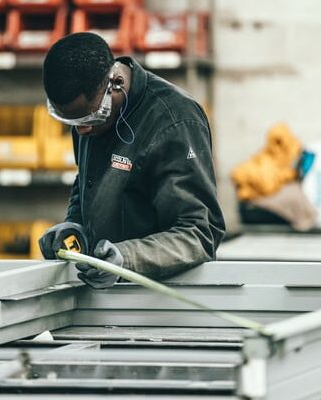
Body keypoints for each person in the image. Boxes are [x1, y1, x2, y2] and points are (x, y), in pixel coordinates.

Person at [39, 32, 225, 289]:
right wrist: (75, 226)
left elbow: (198, 234)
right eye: (75, 123)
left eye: (90, 119)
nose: (82, 132)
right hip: (104, 293)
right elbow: (87, 181)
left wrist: (128, 259)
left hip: (158, 299)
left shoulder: (174, 120)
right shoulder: (88, 115)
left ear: (115, 83)